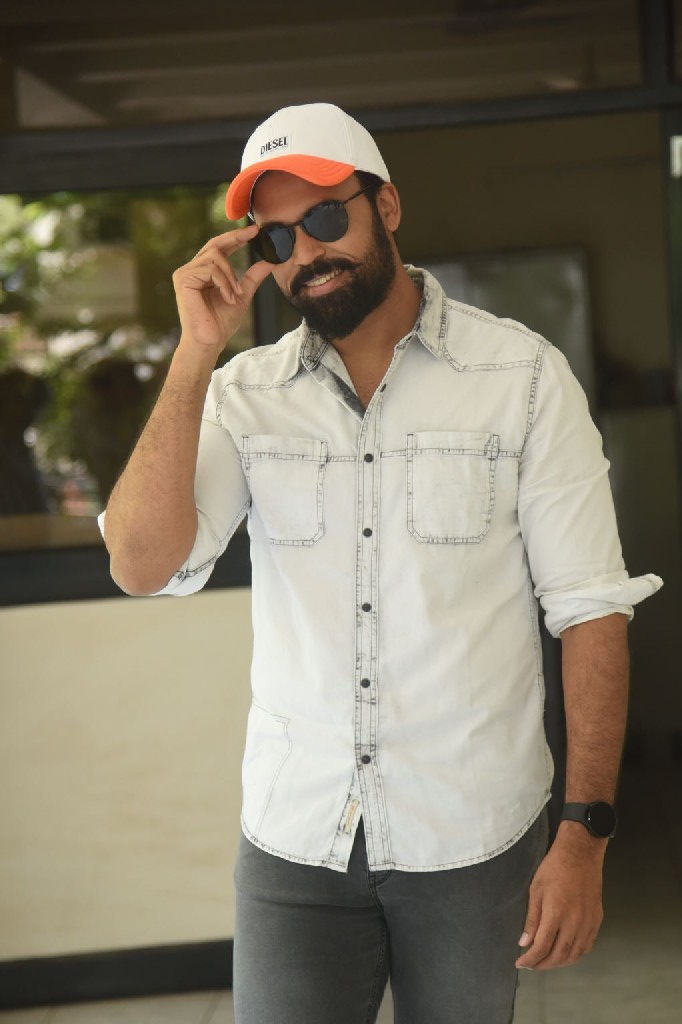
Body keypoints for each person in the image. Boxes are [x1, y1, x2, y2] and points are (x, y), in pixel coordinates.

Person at [99, 103, 662, 1023]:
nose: (307, 253)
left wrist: (585, 833)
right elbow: (138, 564)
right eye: (278, 237)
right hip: (296, 842)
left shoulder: (521, 378)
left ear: (386, 207)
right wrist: (197, 354)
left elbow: (591, 609)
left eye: (327, 216)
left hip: (472, 838)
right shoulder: (244, 395)